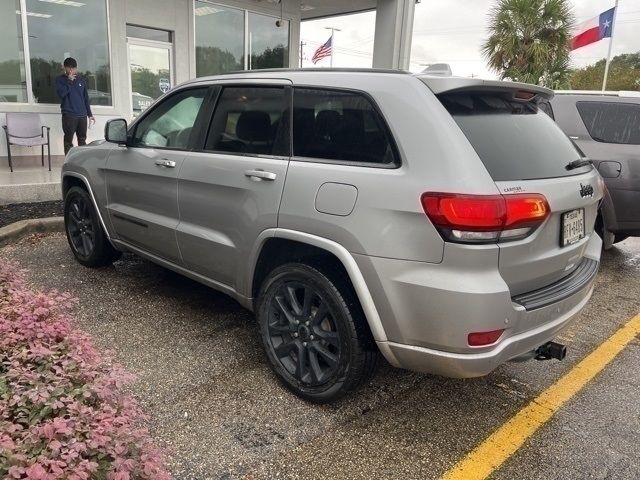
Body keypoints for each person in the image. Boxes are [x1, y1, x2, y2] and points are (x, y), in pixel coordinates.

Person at [55, 57, 95, 154]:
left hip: (82, 115)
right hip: (69, 115)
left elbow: (85, 98)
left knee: (82, 140)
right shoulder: (60, 80)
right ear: (65, 68)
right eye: (70, 68)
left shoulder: (81, 80)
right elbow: (61, 94)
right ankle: (69, 162)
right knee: (68, 141)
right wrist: (69, 81)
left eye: (74, 68)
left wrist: (90, 114)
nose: (72, 70)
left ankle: (82, 162)